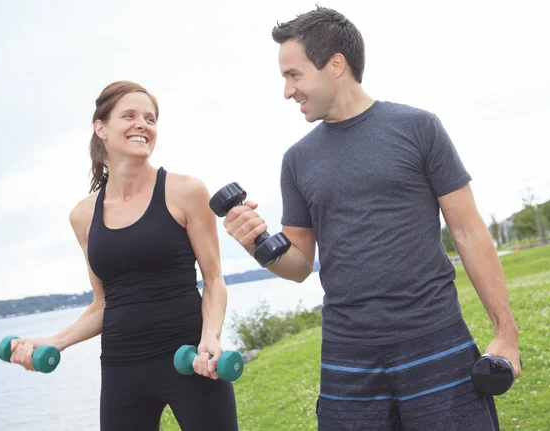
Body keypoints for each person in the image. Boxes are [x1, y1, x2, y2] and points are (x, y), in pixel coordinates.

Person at [222, 6, 521, 431]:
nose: (288, 91)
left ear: (336, 64)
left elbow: (469, 231)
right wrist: (255, 242)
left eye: (294, 75)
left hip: (434, 337)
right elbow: (299, 266)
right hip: (347, 355)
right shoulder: (297, 160)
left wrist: (505, 334)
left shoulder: (418, 128)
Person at [9, 81, 239, 431]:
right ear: (101, 127)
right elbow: (103, 304)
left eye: (150, 118)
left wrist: (211, 337)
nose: (142, 125)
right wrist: (55, 341)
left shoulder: (186, 192)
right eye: (129, 116)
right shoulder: (83, 216)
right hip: (121, 367)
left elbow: (213, 279)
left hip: (190, 360)